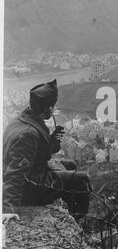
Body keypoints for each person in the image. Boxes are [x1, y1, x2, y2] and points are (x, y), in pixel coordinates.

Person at [2, 79, 92, 225]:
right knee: (83, 180)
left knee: (70, 164)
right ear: (48, 108)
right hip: (30, 186)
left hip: (34, 174)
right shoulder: (28, 134)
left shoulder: (23, 120)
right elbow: (16, 172)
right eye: (52, 107)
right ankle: (79, 224)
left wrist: (52, 141)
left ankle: (69, 213)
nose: (53, 110)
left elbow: (37, 155)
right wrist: (8, 208)